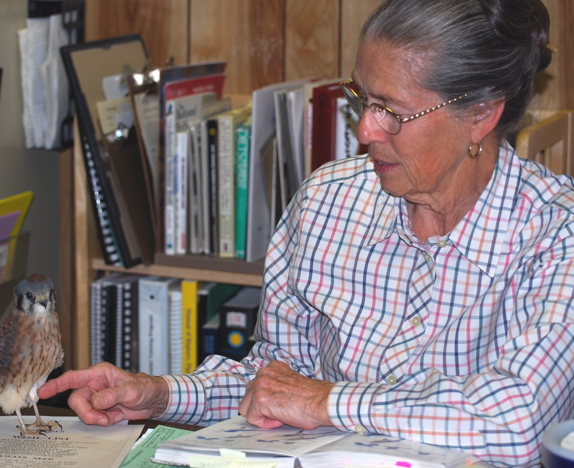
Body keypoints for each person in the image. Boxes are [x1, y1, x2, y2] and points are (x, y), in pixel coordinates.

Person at [39, 0, 574, 466]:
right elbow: (276, 381)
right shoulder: (329, 201)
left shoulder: (555, 232)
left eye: (394, 112)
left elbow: (519, 422)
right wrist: (159, 394)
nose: (365, 130)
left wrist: (325, 401)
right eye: (363, 98)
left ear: (481, 114)